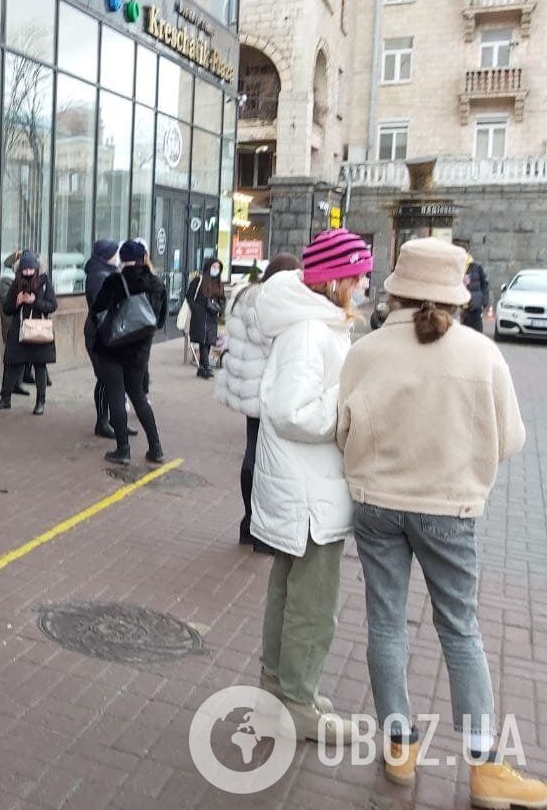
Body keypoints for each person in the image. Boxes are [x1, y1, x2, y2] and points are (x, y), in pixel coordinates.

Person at [336, 237, 543, 802]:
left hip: (377, 505)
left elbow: (341, 431)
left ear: (396, 290)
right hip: (450, 511)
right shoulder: (482, 354)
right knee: (460, 630)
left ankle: (399, 746)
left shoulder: (366, 351)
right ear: (456, 298)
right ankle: (484, 767)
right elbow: (513, 441)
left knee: (385, 623)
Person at [251, 228, 373, 742]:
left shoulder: (314, 323)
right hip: (309, 494)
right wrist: (349, 403)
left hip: (304, 489)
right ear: (337, 279)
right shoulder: (310, 331)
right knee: (313, 601)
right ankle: (297, 699)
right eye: (360, 274)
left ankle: (282, 687)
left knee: (292, 590)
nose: (366, 283)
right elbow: (290, 411)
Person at [213, 254, 301, 555]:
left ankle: (248, 524)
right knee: (266, 460)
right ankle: (261, 530)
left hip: (249, 389)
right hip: (270, 389)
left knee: (252, 452)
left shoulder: (245, 296)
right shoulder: (275, 303)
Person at [89, 240, 167, 466]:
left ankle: (123, 450)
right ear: (143, 257)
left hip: (112, 348)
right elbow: (160, 321)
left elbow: (97, 310)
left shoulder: (115, 281)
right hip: (139, 352)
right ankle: (156, 448)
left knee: (115, 393)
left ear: (121, 258)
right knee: (139, 397)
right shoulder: (157, 284)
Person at [0, 250, 57, 415]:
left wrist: (36, 302)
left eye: (31, 270)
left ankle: (40, 402)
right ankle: (5, 398)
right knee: (11, 363)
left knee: (40, 366)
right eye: (24, 270)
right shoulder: (16, 283)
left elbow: (52, 306)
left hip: (39, 328)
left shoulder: (44, 282)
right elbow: (7, 309)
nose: (28, 273)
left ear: (36, 268)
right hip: (18, 329)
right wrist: (18, 301)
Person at [84, 239, 120, 438]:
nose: (117, 256)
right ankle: (102, 422)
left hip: (109, 332)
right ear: (106, 254)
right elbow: (102, 308)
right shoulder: (99, 275)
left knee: (111, 378)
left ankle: (115, 420)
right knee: (106, 378)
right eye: (115, 252)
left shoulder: (108, 272)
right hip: (100, 333)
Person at [186, 257, 226, 378]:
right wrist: (196, 309)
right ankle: (206, 366)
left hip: (213, 315)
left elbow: (222, 298)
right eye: (214, 267)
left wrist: (220, 310)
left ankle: (202, 367)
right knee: (203, 340)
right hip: (201, 314)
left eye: (218, 267)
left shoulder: (219, 283)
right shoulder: (199, 280)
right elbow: (189, 296)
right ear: (208, 267)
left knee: (208, 341)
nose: (216, 269)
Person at [453, 238, 488, 333]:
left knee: (477, 338)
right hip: (456, 309)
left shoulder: (476, 267)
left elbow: (484, 284)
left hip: (474, 309)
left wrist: (483, 301)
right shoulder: (452, 267)